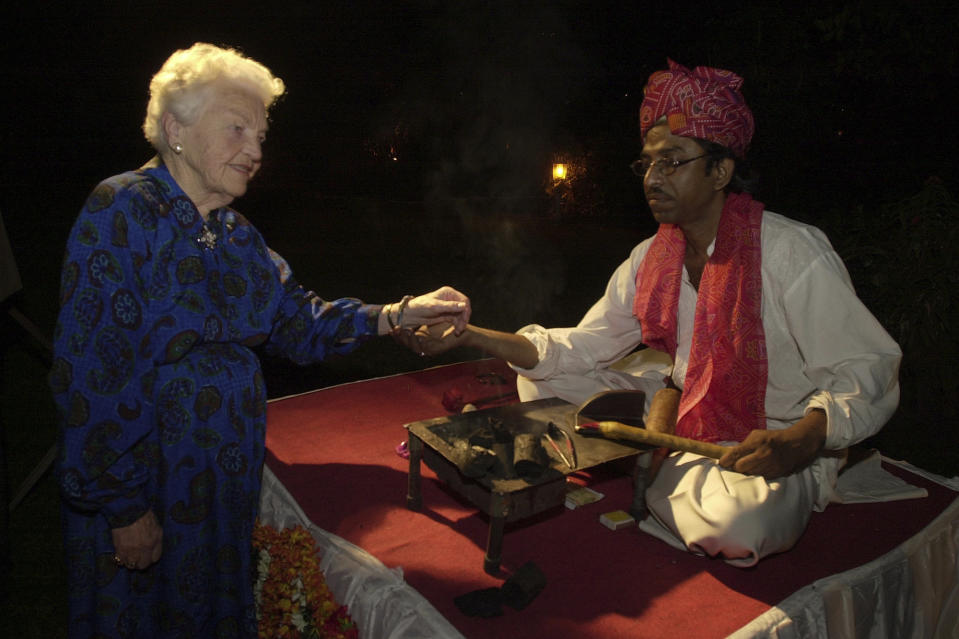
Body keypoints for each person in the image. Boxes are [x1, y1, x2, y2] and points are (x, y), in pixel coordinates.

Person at [48, 42, 470, 638]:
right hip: (152, 485)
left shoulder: (236, 234)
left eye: (262, 135)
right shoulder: (123, 211)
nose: (256, 150)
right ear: (176, 129)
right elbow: (93, 369)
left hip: (220, 488)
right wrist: (123, 506)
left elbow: (302, 322)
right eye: (237, 129)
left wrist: (400, 314)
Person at [412, 59, 901, 567]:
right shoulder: (653, 256)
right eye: (647, 163)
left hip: (775, 440)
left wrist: (804, 439)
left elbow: (867, 367)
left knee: (739, 528)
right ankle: (659, 463)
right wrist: (472, 335)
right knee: (541, 385)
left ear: (720, 170)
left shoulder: (790, 252)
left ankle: (650, 465)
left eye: (672, 161)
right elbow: (584, 345)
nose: (652, 177)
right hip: (686, 409)